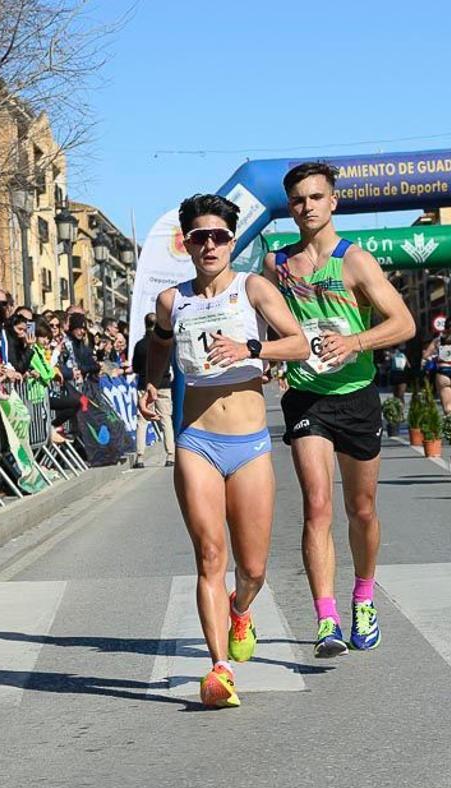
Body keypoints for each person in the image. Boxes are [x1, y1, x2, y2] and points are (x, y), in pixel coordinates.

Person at [138, 193, 308, 707]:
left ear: (232, 241)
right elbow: (161, 344)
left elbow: (298, 343)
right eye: (199, 237)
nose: (209, 244)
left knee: (252, 568)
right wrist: (151, 385)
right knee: (211, 555)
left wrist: (251, 349)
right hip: (197, 442)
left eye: (218, 236)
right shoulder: (172, 301)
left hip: (250, 444)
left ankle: (241, 610)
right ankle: (219, 669)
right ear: (186, 243)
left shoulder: (253, 289)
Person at [262, 162, 415, 657]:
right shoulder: (276, 265)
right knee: (317, 506)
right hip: (307, 396)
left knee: (362, 509)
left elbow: (404, 323)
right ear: (291, 208)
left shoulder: (357, 262)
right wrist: (270, 356)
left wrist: (354, 341)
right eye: (298, 200)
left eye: (315, 198)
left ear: (334, 202)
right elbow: (269, 322)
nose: (306, 207)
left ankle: (364, 596)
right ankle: (326, 619)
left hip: (357, 395)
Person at [131, 312, 175, 468]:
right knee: (166, 419)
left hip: (144, 385)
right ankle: (170, 455)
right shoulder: (166, 344)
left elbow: (135, 367)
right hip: (163, 383)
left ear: (145, 324)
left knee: (142, 422)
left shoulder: (140, 345)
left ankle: (140, 457)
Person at [426, 318, 451, 416]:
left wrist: (435, 358)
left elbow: (426, 355)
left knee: (448, 409)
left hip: (443, 372)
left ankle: (449, 427)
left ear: (445, 326)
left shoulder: (438, 340)